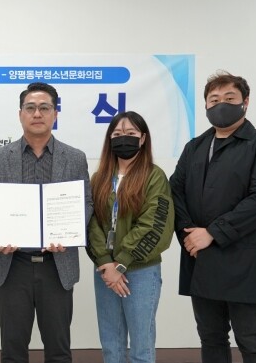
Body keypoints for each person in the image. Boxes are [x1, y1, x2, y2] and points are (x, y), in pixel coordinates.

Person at [0, 82, 93, 363]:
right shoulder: (0, 157)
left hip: (57, 264)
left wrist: (70, 233)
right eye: (30, 108)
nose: (37, 113)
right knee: (12, 351)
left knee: (59, 351)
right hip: (12, 265)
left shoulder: (75, 158)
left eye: (44, 107)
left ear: (55, 113)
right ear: (20, 114)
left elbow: (85, 203)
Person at [170, 71, 256, 363]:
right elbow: (174, 191)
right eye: (214, 99)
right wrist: (189, 234)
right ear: (206, 105)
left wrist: (212, 233)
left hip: (244, 260)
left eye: (230, 98)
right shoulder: (195, 147)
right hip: (200, 258)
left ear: (245, 102)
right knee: (211, 338)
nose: (221, 105)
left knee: (252, 341)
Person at [86, 111, 174, 363]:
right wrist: (106, 263)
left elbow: (155, 224)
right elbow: (90, 222)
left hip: (140, 270)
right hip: (105, 271)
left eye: (131, 133)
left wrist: (121, 262)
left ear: (143, 138)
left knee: (141, 347)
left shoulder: (154, 176)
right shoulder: (99, 178)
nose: (123, 138)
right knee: (111, 344)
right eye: (117, 134)